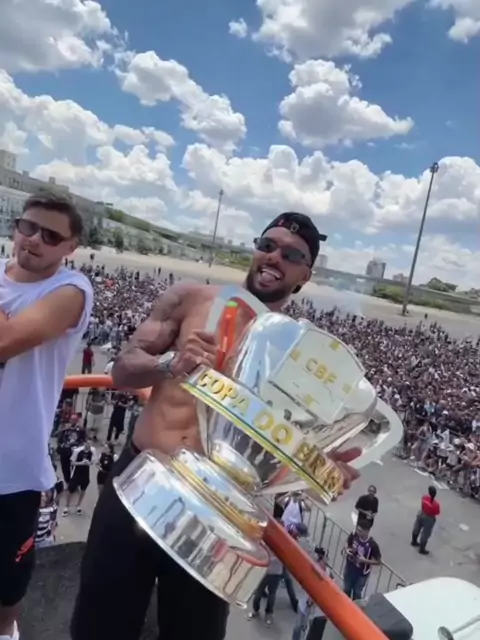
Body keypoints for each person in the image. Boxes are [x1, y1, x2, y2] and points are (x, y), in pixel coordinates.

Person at [71, 212, 361, 640]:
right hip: (141, 479)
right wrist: (170, 363)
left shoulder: (304, 359)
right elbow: (123, 371)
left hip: (219, 514)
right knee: (100, 625)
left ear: (305, 274)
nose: (274, 257)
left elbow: (288, 448)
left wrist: (320, 468)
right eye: (267, 245)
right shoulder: (191, 299)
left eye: (291, 255)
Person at [0, 190, 93, 640]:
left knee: (7, 585)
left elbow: (5, 343)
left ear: (70, 247)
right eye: (28, 227)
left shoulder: (71, 290)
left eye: (51, 236)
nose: (35, 239)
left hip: (13, 466)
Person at [293, 547, 333, 640]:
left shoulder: (328, 575)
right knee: (298, 626)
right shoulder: (310, 570)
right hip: (304, 602)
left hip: (316, 609)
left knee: (309, 630)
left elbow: (328, 591)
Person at [343, 523, 382, 601]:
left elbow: (378, 562)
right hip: (349, 568)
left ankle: (355, 606)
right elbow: (347, 542)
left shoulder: (372, 545)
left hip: (361, 574)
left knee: (357, 593)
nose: (357, 532)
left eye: (360, 531)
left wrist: (365, 561)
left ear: (366, 531)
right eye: (357, 529)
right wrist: (347, 549)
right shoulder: (354, 534)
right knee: (346, 589)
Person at [63, 440, 96, 516]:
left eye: (90, 444)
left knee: (83, 490)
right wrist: (81, 463)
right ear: (84, 443)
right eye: (87, 443)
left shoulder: (93, 451)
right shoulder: (77, 451)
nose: (88, 445)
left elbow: (93, 462)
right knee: (70, 490)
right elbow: (72, 463)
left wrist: (89, 463)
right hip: (76, 473)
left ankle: (78, 505)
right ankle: (66, 506)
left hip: (85, 474)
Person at [411, 485, 441, 555]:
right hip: (429, 518)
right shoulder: (436, 504)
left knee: (417, 527)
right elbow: (437, 513)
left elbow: (422, 505)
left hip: (421, 513)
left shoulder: (424, 498)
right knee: (425, 533)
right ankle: (422, 549)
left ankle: (414, 541)